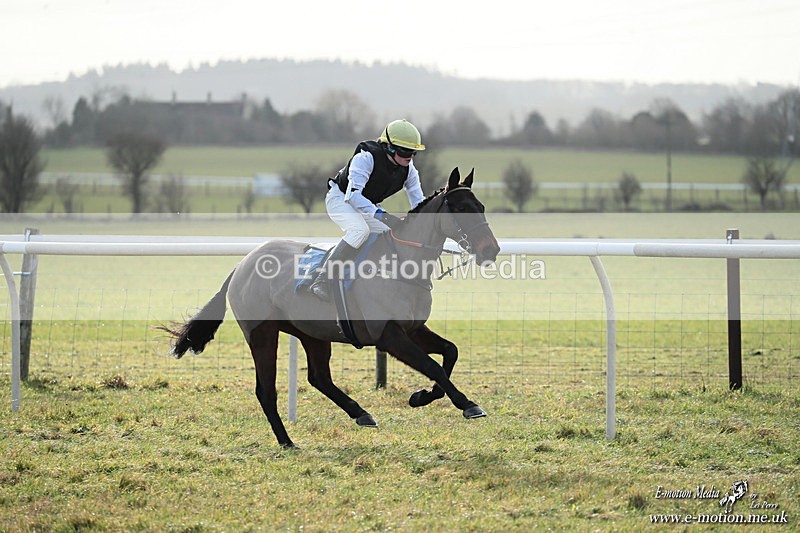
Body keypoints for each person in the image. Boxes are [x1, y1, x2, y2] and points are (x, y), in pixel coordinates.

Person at [309, 119, 426, 301]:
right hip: (341, 198)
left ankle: (371, 277)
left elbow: (419, 202)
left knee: (392, 233)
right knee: (359, 230)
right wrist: (383, 216)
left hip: (366, 204)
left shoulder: (409, 170)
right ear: (389, 147)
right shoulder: (366, 158)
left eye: (414, 152)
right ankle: (323, 279)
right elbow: (353, 196)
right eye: (405, 150)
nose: (410, 156)